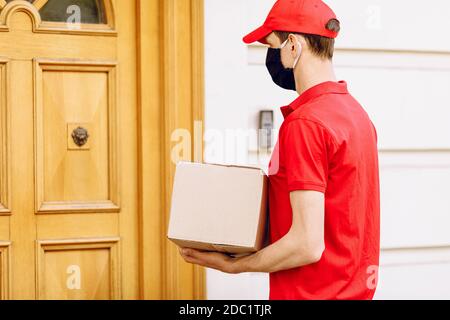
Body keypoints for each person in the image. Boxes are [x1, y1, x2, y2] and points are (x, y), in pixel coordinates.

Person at [180, 0, 380, 300]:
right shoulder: (357, 115)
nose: (271, 56)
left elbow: (307, 244)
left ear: (293, 46)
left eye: (272, 45)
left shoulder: (306, 123)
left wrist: (234, 266)